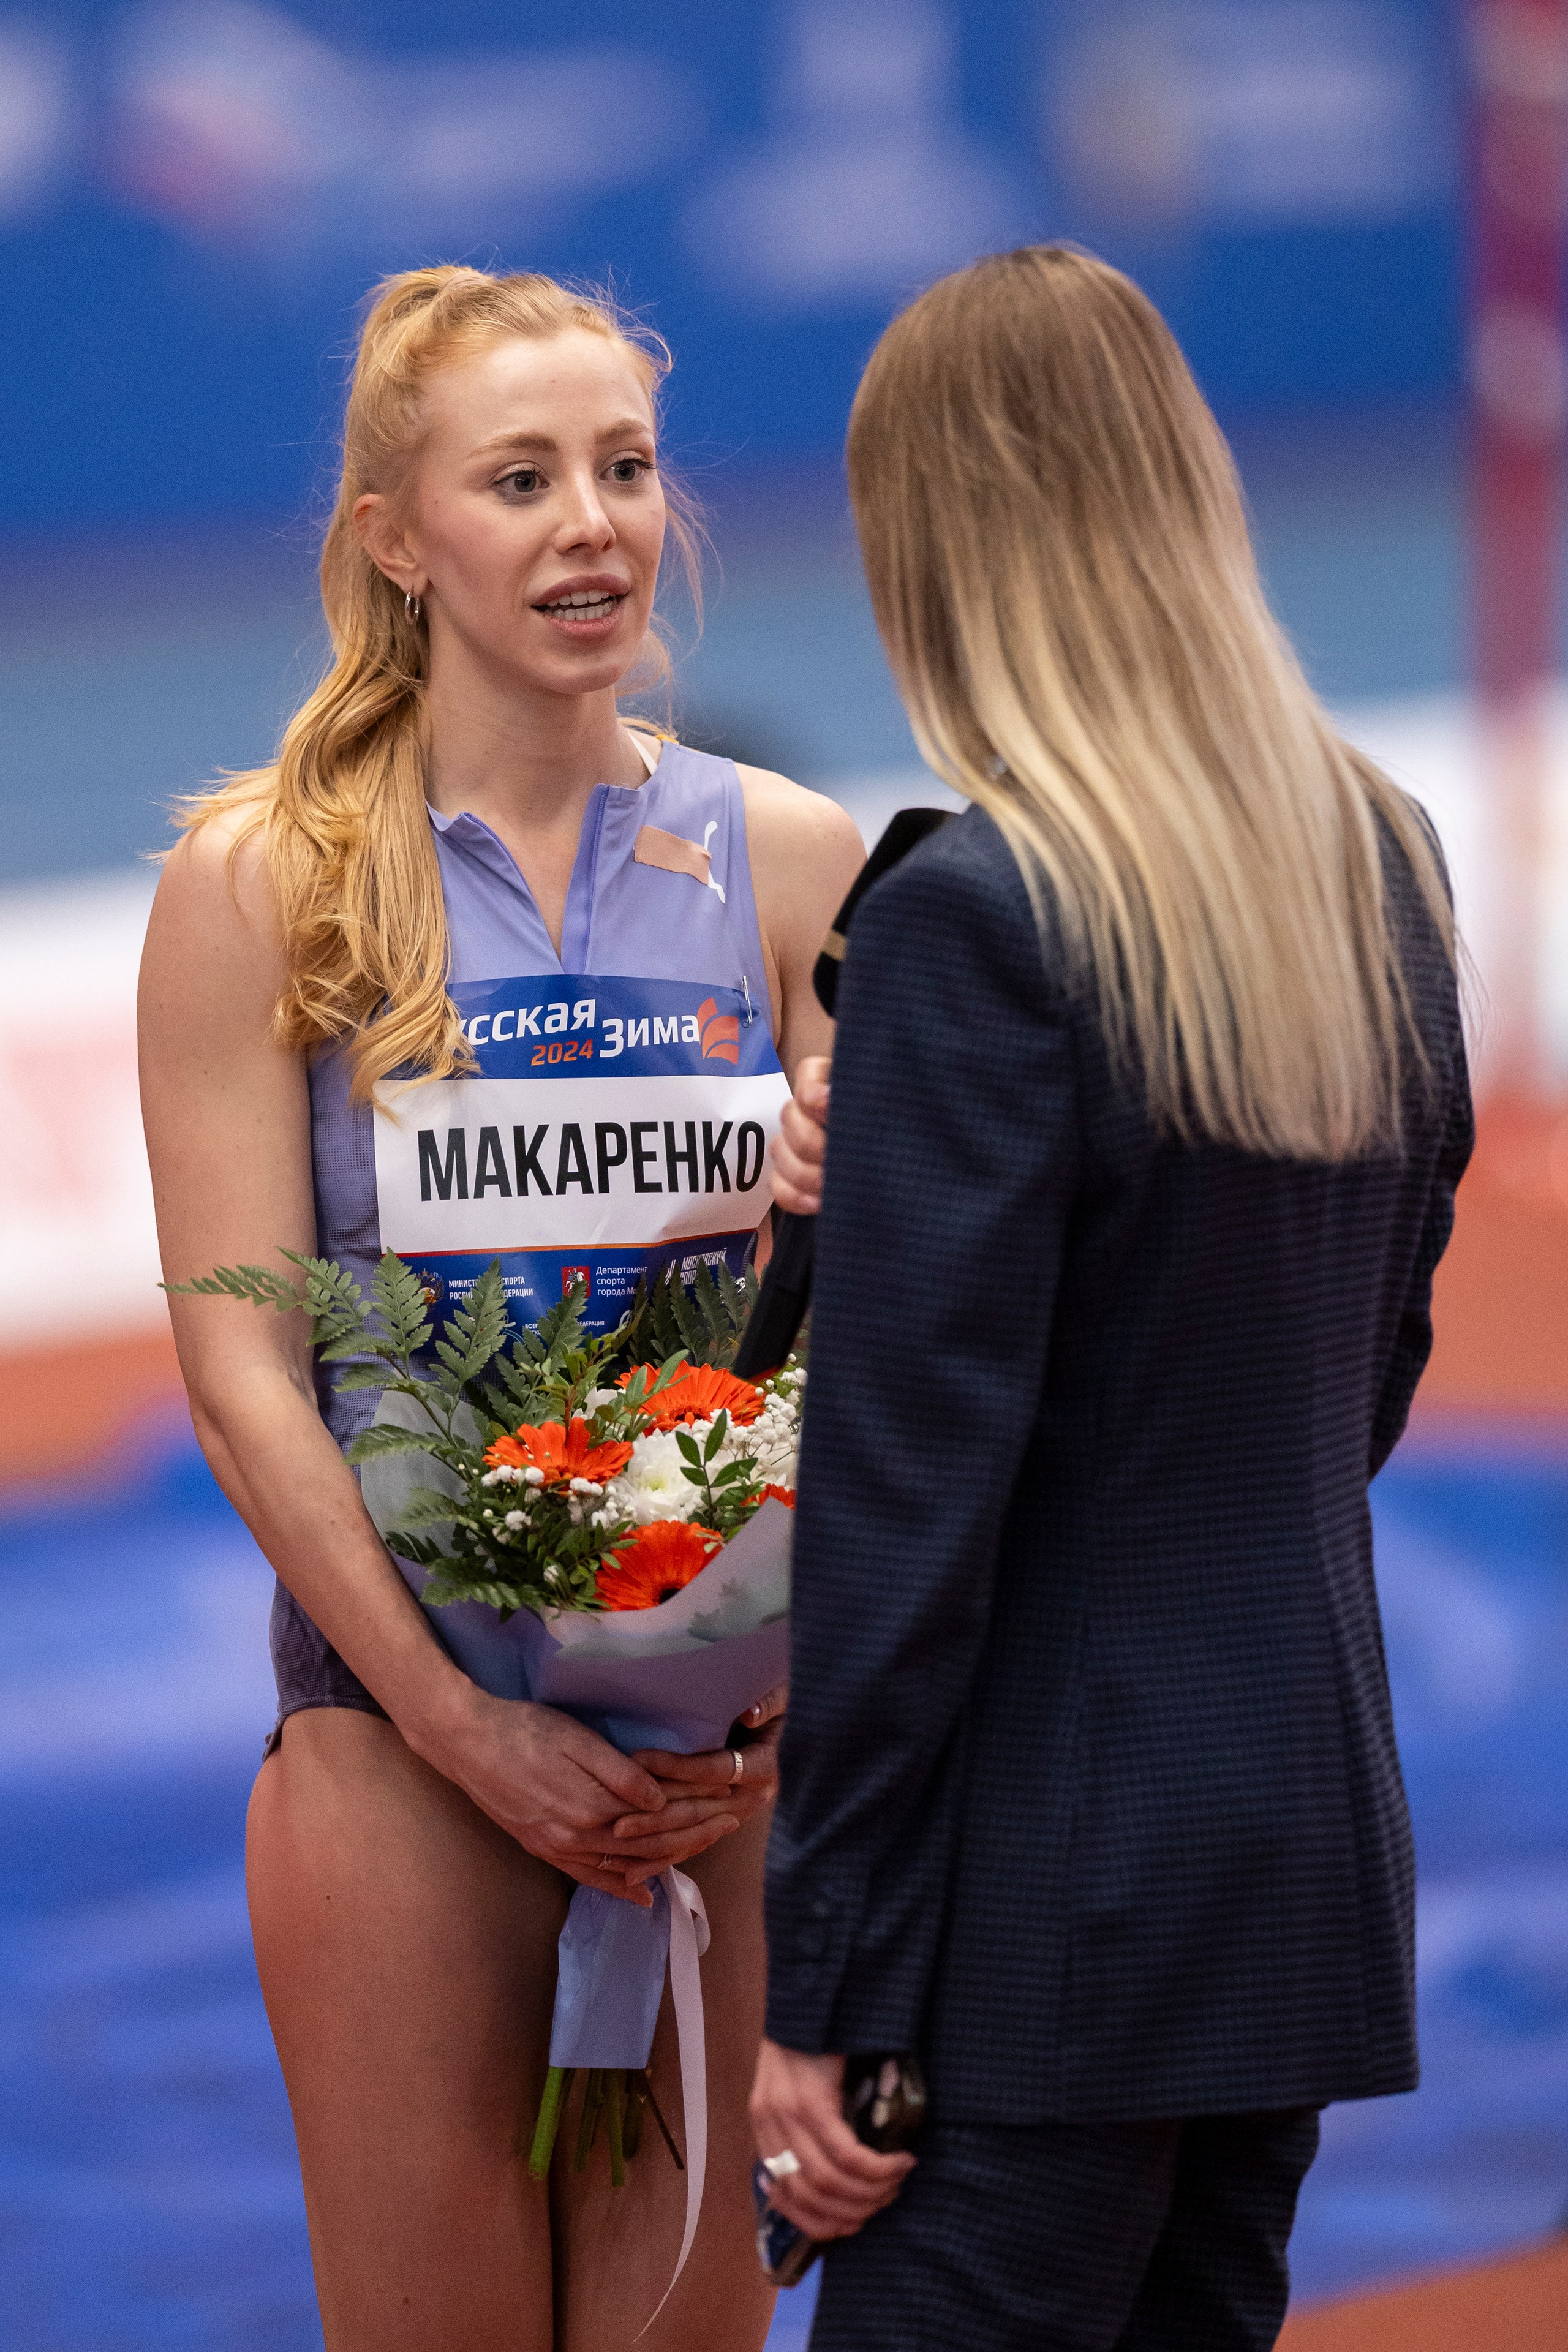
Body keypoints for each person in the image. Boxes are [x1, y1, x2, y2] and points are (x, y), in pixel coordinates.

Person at [751, 244, 1472, 2352]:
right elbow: (1365, 1382)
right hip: (1298, 1843)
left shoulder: (976, 918)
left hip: (1041, 1916)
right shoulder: (1386, 859)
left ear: (942, 547)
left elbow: (907, 1516)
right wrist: (834, 1210)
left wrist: (831, 1978)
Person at [138, 264, 862, 2352]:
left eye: (625, 471)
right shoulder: (265, 886)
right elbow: (238, 1368)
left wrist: (778, 1706)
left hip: (716, 1764)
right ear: (396, 538)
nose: (591, 526)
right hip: (398, 1750)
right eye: (520, 479)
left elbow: (877, 1332)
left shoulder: (798, 868)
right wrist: (463, 1729)